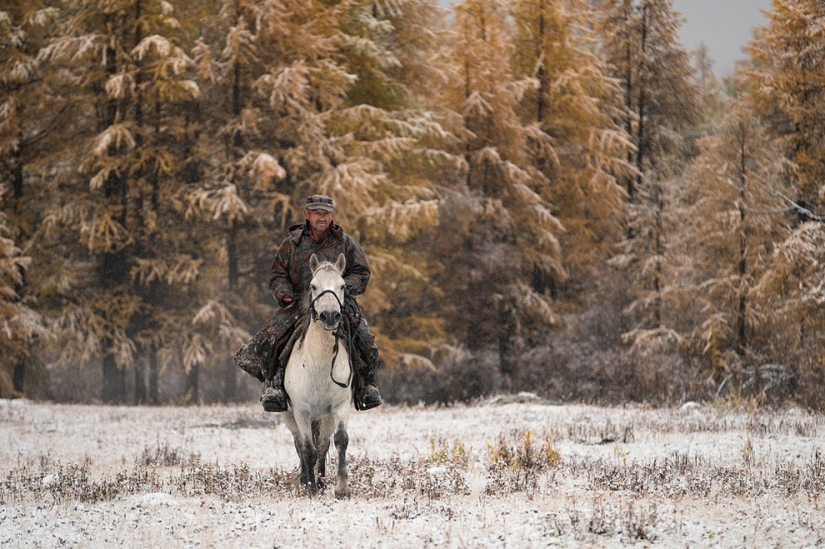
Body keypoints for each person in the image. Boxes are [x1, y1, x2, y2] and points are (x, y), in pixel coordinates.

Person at [233, 194, 383, 412]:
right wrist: (284, 294)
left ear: (332, 216)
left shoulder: (345, 242)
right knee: (272, 336)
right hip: (299, 302)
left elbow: (361, 272)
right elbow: (277, 275)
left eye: (326, 213)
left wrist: (340, 287)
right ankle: (274, 386)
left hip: (337, 302)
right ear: (307, 215)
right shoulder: (292, 244)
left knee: (365, 336)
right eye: (317, 213)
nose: (322, 218)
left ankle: (366, 386)